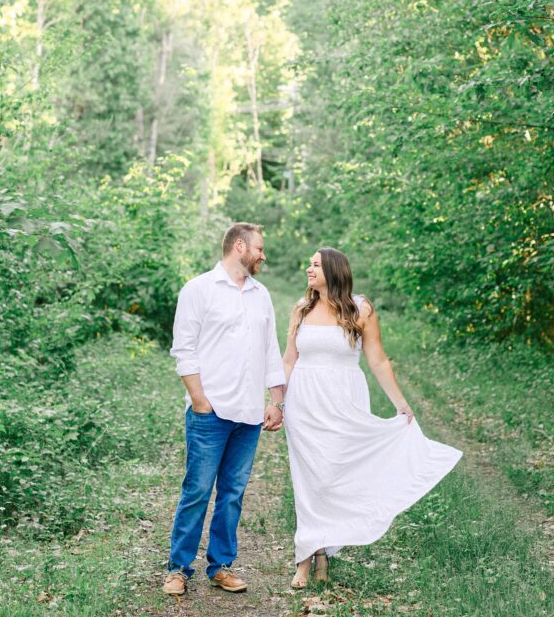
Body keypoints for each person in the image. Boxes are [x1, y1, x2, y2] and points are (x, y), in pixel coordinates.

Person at [282, 247, 462, 589]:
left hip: (344, 400)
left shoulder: (359, 309)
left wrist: (401, 404)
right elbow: (289, 359)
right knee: (309, 479)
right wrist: (277, 401)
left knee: (335, 474)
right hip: (304, 403)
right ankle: (305, 558)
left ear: (334, 271)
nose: (308, 268)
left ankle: (325, 550)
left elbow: (378, 361)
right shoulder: (302, 309)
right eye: (309, 264)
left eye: (315, 265)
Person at [162, 223, 285, 596]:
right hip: (210, 412)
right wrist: (200, 401)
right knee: (197, 491)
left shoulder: (261, 295)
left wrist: (276, 400)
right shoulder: (199, 289)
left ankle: (221, 566)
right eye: (259, 249)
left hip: (248, 415)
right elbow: (184, 349)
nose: (264, 255)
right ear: (240, 246)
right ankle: (178, 569)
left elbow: (270, 351)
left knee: (232, 493)